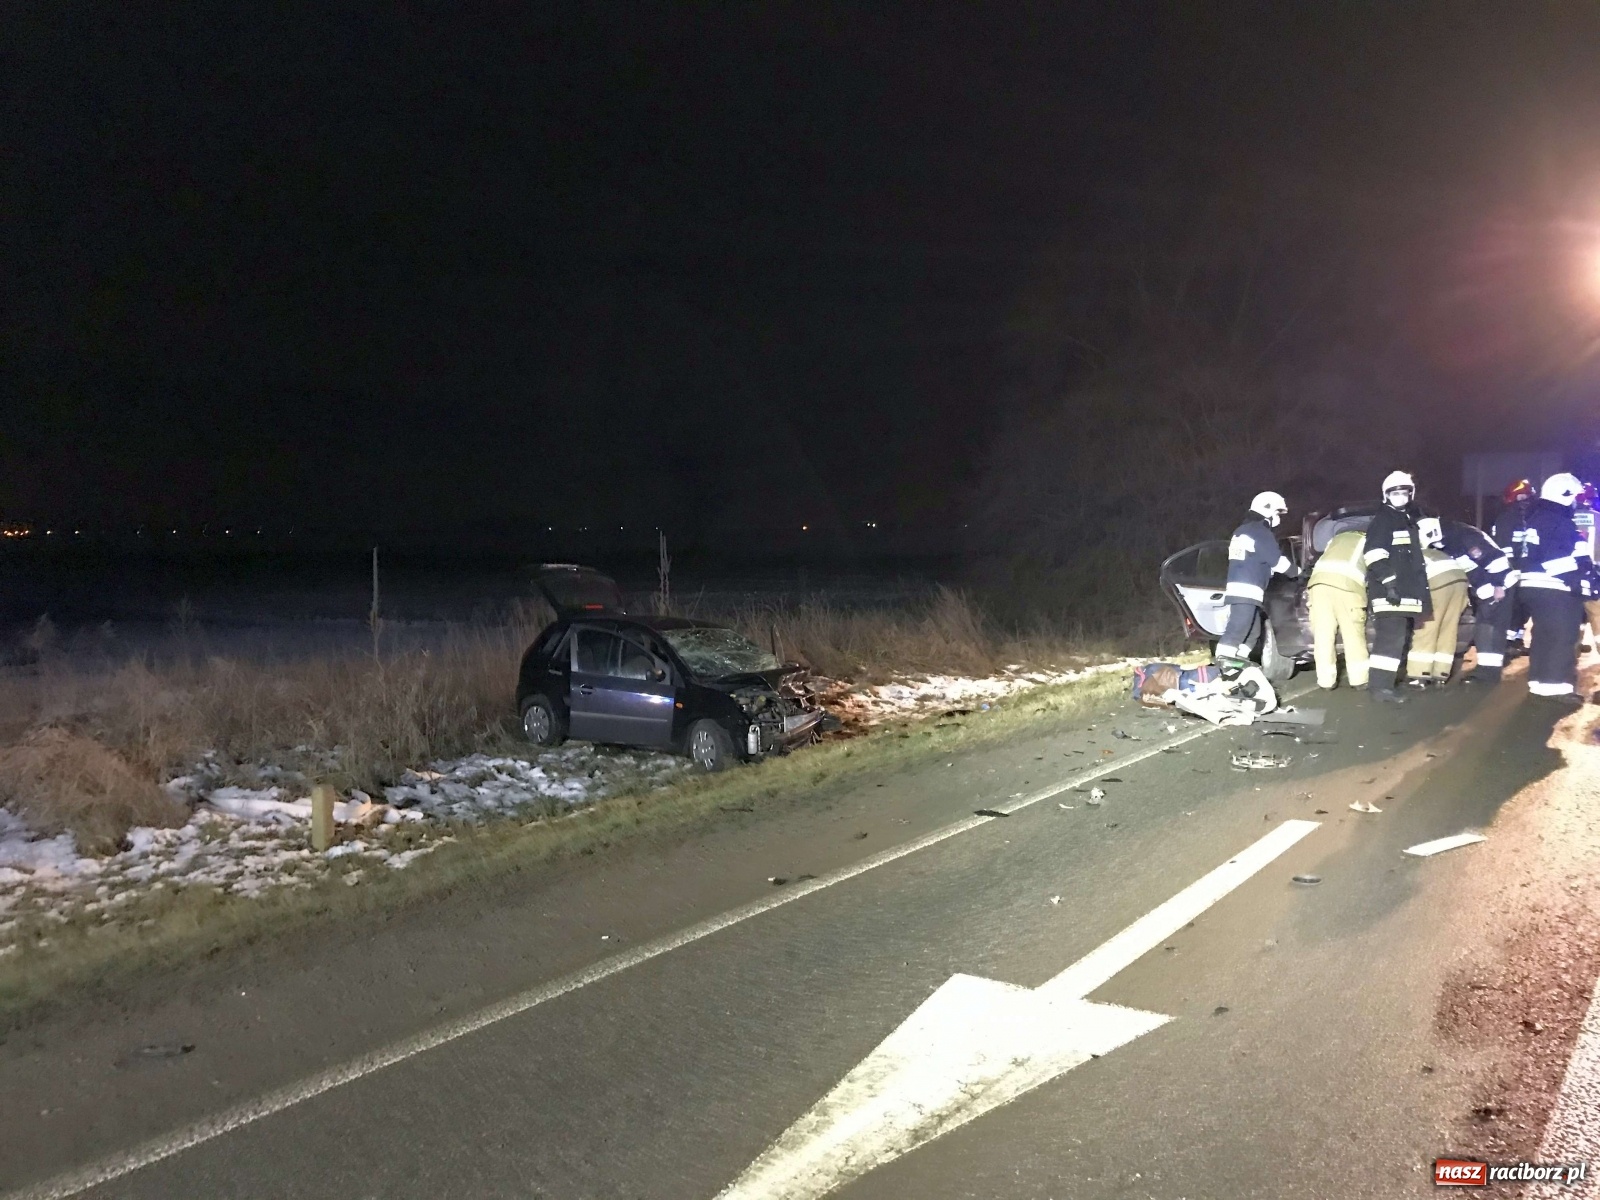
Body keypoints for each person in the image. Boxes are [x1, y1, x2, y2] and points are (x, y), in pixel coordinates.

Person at [1518, 473, 1593, 703]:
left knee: (1544, 635)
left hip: (1536, 586)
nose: (1576, 503)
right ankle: (1557, 686)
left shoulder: (1541, 517)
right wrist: (1579, 582)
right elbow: (1556, 558)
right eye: (1575, 497)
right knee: (1562, 636)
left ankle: (1540, 683)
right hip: (1555, 587)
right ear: (1564, 495)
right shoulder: (1556, 520)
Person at [1363, 471, 1430, 703]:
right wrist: (1389, 583)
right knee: (1389, 641)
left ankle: (1385, 686)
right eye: (1395, 493)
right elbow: (1373, 555)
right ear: (1386, 495)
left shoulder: (1405, 520)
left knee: (1397, 641)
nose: (1401, 497)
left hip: (1402, 594)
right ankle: (1380, 689)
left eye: (1405, 492)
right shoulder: (1384, 520)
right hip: (1389, 593)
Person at [1216, 491, 1297, 671]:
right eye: (1277, 513)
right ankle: (1222, 668)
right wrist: (1299, 573)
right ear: (1266, 509)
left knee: (1253, 633)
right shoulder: (1260, 532)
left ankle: (1238, 667)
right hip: (1247, 591)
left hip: (1244, 591)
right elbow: (1278, 562)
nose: (1278, 518)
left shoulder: (1243, 531)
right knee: (1237, 630)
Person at [1435, 517, 1514, 682]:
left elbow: (1495, 560)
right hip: (1484, 588)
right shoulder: (1448, 537)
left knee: (1489, 627)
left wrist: (1499, 585)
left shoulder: (1464, 535)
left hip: (1498, 585)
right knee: (1485, 626)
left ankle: (1488, 673)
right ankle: (1488, 670)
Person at [1406, 518, 1470, 686]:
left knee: (1427, 627)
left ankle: (1419, 674)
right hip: (1461, 583)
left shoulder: (1410, 554)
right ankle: (1441, 674)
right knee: (1448, 628)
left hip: (1439, 583)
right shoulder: (1435, 552)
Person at [1306, 526, 1369, 689]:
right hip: (1346, 586)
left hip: (1317, 585)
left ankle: (1326, 681)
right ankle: (1359, 679)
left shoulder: (1333, 541)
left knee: (1323, 635)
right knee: (1352, 634)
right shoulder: (1367, 540)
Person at [1490, 478, 1536, 661]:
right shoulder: (1506, 519)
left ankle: (1516, 641)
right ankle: (1505, 644)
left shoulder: (1530, 519)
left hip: (1526, 573)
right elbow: (1504, 547)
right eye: (1522, 497)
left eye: (1527, 498)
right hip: (1511, 573)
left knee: (1522, 610)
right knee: (1511, 609)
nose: (1525, 501)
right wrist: (1510, 570)